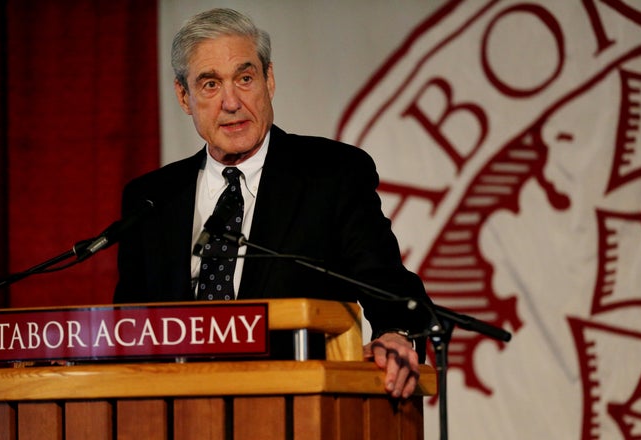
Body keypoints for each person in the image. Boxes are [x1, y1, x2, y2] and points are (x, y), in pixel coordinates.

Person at [114, 8, 432, 399]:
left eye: (245, 79)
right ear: (184, 96)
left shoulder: (330, 175)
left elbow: (389, 287)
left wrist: (397, 335)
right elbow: (127, 328)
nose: (231, 102)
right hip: (173, 412)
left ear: (269, 79)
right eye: (210, 85)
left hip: (297, 408)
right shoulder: (152, 198)